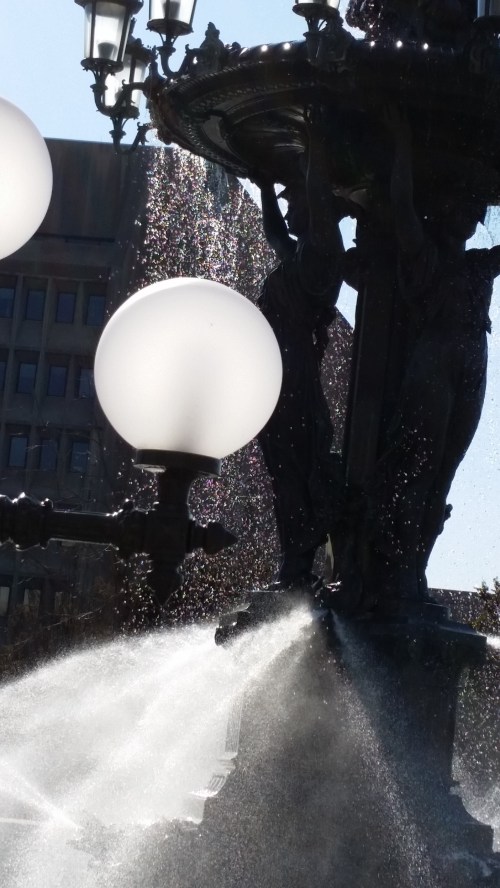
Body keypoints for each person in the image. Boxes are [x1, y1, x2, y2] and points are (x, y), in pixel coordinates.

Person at [370, 106, 500, 601]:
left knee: (446, 468)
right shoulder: (422, 256)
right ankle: (391, 559)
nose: (468, 219)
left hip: (474, 358)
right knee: (419, 461)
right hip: (437, 357)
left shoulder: (480, 267)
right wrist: (402, 136)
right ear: (441, 213)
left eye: (474, 213)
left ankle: (414, 566)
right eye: (459, 210)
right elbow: (401, 202)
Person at [256, 119, 349, 588]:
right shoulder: (297, 257)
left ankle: (300, 557)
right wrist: (266, 188)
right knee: (284, 470)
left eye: (297, 201)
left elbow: (316, 206)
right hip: (279, 377)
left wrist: (316, 151)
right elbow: (275, 234)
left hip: (292, 377)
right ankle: (295, 557)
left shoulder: (325, 253)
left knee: (293, 469)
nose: (291, 209)